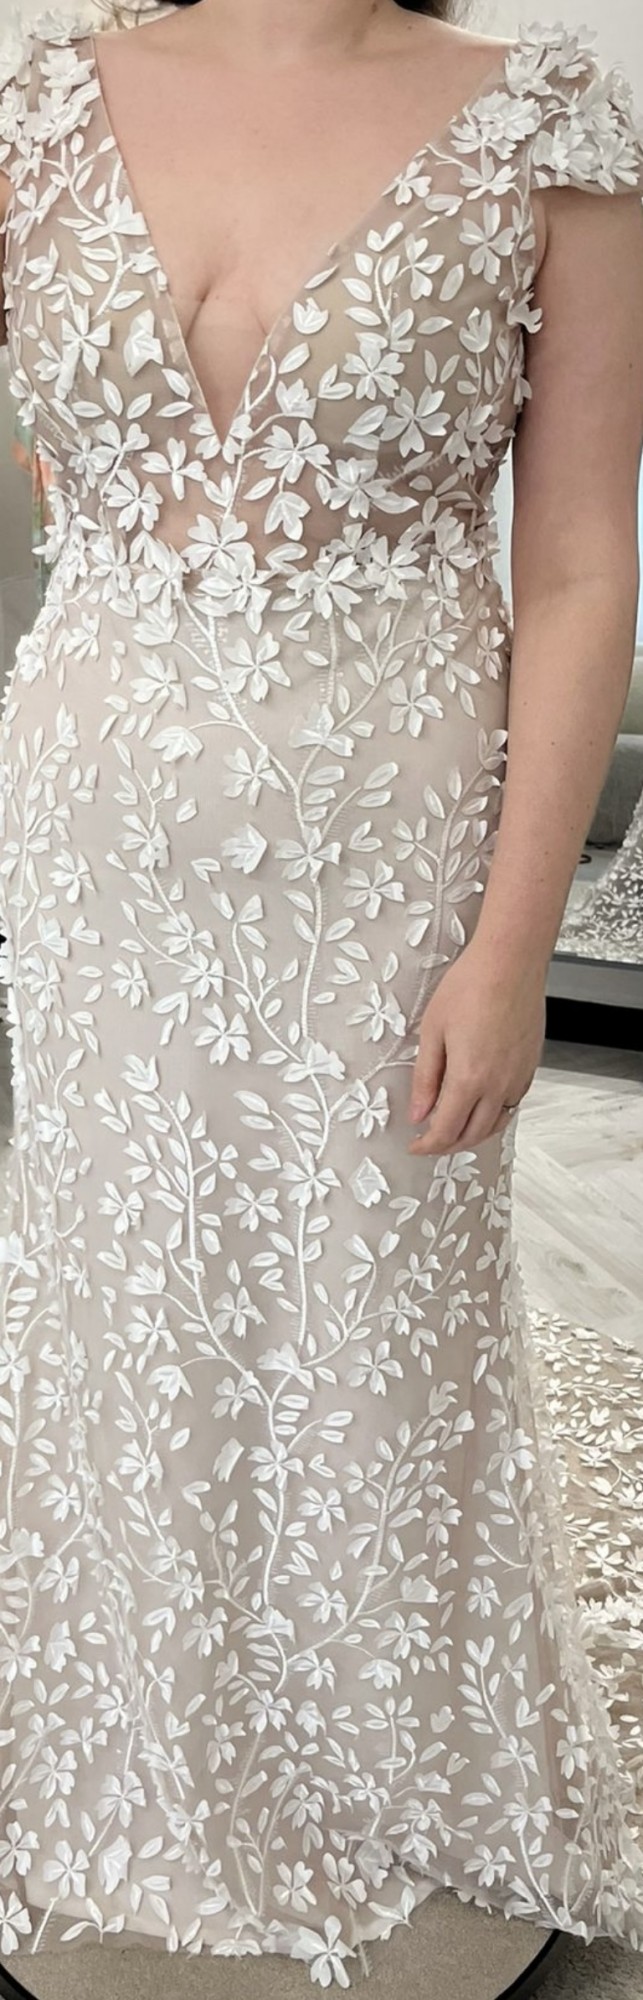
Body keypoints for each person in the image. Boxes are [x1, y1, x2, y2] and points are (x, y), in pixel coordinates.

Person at [0, 0, 642, 1983]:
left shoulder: (545, 129)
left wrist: (513, 947)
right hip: (99, 842)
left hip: (392, 852)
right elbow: (59, 470)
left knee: (368, 1298)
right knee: (122, 1291)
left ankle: (385, 1765)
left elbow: (575, 567)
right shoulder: (39, 103)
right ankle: (133, 1731)